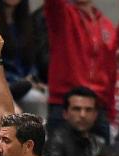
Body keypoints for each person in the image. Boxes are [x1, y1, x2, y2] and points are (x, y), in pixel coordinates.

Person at [44, 0, 115, 140]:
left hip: (98, 106)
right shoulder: (62, 15)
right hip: (64, 103)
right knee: (57, 153)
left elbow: (111, 70)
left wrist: (110, 109)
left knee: (102, 154)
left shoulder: (107, 25)